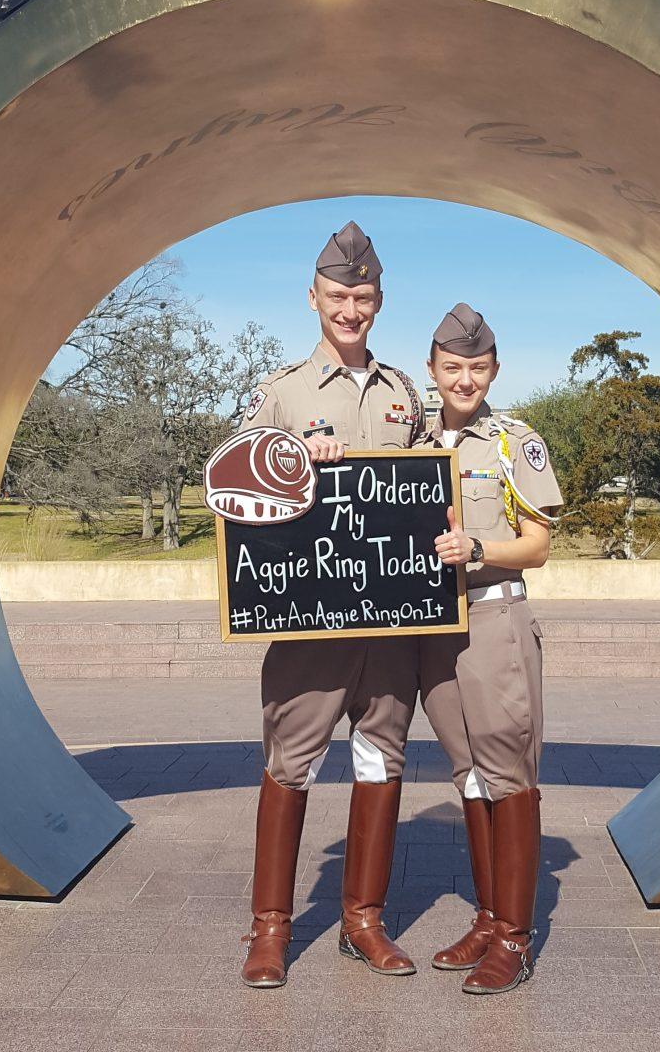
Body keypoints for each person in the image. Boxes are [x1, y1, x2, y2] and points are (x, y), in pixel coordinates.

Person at [238, 221, 425, 988]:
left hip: (388, 630)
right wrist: (288, 459)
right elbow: (234, 486)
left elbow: (424, 493)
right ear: (313, 298)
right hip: (308, 627)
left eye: (364, 296)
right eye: (339, 295)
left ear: (378, 301)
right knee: (290, 766)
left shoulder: (404, 392)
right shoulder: (281, 390)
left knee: (382, 763)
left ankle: (363, 922)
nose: (351, 308)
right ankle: (271, 930)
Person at [419, 303, 563, 995]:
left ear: (494, 370)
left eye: (477, 368)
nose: (464, 380)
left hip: (494, 621)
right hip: (432, 630)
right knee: (468, 775)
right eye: (452, 368)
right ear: (432, 370)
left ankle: (515, 937)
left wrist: (479, 547)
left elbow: (537, 545)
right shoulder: (412, 441)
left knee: (508, 774)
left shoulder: (514, 442)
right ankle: (486, 916)